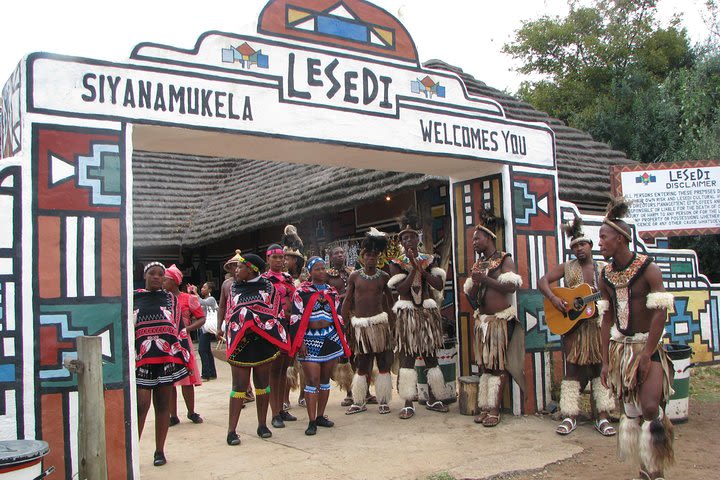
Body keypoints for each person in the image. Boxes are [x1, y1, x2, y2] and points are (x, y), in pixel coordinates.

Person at [598, 198, 675, 480]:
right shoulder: (604, 275)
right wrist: (605, 361)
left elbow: (660, 313)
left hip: (648, 347)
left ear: (620, 239)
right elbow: (606, 319)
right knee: (630, 409)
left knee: (651, 407)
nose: (600, 243)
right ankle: (646, 469)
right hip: (621, 350)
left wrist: (647, 354)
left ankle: (656, 468)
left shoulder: (648, 268)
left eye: (604, 237)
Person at [538, 216, 616, 436]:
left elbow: (614, 294)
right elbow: (542, 281)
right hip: (574, 327)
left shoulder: (604, 269)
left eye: (582, 244)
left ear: (590, 246)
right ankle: (570, 415)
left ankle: (602, 415)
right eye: (574, 246)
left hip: (598, 326)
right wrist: (554, 299)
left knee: (599, 368)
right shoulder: (567, 267)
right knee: (572, 369)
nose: (579, 249)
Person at [217, 253, 290, 445]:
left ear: (251, 269)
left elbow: (275, 313)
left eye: (240, 267)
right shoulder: (233, 288)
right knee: (239, 386)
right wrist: (247, 318)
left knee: (262, 384)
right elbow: (232, 314)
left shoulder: (269, 288)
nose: (236, 271)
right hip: (241, 343)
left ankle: (262, 425)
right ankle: (231, 431)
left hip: (263, 342)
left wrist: (252, 317)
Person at [388, 209, 452, 419]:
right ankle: (408, 402)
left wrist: (422, 269)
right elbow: (402, 290)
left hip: (425, 313)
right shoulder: (396, 263)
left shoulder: (429, 259)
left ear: (417, 239)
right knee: (407, 357)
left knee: (430, 356)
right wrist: (414, 268)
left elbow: (438, 284)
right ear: (401, 242)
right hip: (407, 315)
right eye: (404, 238)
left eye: (411, 237)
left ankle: (435, 397)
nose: (408, 240)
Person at [463, 210, 524, 427]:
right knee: (485, 366)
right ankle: (486, 407)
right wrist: (476, 283)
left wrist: (486, 280)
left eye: (477, 238)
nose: (474, 242)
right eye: (472, 239)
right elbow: (470, 294)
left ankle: (495, 411)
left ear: (489, 238)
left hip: (499, 321)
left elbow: (512, 287)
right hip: (483, 322)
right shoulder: (478, 264)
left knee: (497, 366)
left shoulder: (504, 259)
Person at [133, 262, 190, 467]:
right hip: (142, 361)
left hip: (165, 359)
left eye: (160, 274)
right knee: (141, 406)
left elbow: (178, 329)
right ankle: (133, 451)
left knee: (163, 405)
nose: (156, 277)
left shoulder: (171, 300)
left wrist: (183, 356)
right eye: (152, 274)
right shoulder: (133, 298)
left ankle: (159, 450)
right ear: (145, 275)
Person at [289, 256, 351, 435]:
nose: (321, 271)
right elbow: (295, 318)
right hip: (309, 339)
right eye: (316, 268)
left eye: (323, 268)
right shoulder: (302, 292)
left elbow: (338, 317)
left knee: (324, 380)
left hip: (330, 338)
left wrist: (341, 341)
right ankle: (311, 421)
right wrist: (299, 342)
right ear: (310, 272)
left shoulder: (331, 292)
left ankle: (320, 416)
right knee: (312, 380)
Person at [342, 228, 395, 415]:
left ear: (378, 257)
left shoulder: (383, 277)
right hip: (361, 327)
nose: (371, 258)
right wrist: (344, 320)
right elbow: (348, 300)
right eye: (368, 255)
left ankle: (383, 400)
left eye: (374, 255)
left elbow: (390, 302)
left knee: (383, 363)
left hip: (380, 326)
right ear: (362, 258)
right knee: (362, 364)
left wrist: (394, 325)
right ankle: (359, 400)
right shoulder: (354, 276)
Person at [163, 265, 205, 427]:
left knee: (187, 379)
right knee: (170, 380)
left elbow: (201, 318)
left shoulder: (189, 299)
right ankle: (173, 415)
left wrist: (186, 329)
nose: (163, 282)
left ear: (174, 281)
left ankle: (191, 411)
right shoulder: (162, 298)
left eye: (166, 279)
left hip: (183, 342)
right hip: (167, 342)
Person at [262, 243, 298, 428]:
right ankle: (274, 413)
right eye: (274, 257)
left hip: (289, 327)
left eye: (280, 257)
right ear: (267, 259)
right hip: (274, 329)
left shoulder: (288, 278)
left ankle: (282, 409)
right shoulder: (263, 280)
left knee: (284, 369)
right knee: (273, 371)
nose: (278, 260)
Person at [218, 250, 254, 404]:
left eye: (239, 266)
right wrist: (219, 326)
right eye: (233, 266)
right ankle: (242, 391)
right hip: (232, 327)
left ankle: (248, 391)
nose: (236, 269)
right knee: (235, 360)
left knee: (252, 359)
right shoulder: (226, 284)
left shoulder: (250, 284)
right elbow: (222, 307)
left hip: (249, 327)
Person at [326, 245, 358, 407]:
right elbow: (324, 296)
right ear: (330, 257)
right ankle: (350, 392)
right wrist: (344, 296)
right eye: (336, 253)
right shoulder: (327, 276)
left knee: (360, 353)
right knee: (346, 355)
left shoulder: (352, 272)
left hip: (356, 318)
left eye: (342, 252)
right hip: (339, 320)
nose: (340, 255)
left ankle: (364, 391)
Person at [282, 225, 308, 408]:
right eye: (283, 257)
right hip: (285, 326)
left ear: (296, 261)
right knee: (286, 363)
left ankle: (303, 395)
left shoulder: (305, 279)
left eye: (288, 258)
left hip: (303, 326)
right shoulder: (279, 279)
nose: (284, 261)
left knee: (304, 363)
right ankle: (284, 398)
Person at [191, 281, 218, 381]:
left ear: (210, 290)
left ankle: (206, 374)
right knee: (207, 350)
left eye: (204, 287)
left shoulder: (211, 299)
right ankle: (212, 373)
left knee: (202, 350)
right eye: (202, 287)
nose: (202, 289)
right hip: (202, 328)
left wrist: (195, 293)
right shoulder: (205, 299)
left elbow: (202, 303)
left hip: (206, 328)